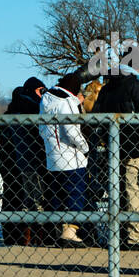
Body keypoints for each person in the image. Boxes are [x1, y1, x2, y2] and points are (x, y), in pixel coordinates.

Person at [91, 56, 139, 247]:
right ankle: (134, 237)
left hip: (113, 146)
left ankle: (119, 234)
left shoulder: (106, 88)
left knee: (118, 189)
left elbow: (96, 115)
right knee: (134, 189)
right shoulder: (135, 86)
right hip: (136, 146)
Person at [40, 73, 90, 245]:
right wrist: (85, 147)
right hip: (71, 157)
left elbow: (41, 129)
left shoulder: (45, 101)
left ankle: (60, 230)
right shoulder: (66, 102)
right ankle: (69, 231)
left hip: (52, 157)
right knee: (75, 193)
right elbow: (71, 131)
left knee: (57, 194)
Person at [0, 77, 47, 246]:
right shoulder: (32, 111)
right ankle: (33, 237)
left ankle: (12, 237)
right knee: (33, 200)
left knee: (11, 199)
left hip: (8, 163)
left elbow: (4, 140)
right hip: (29, 162)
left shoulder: (7, 116)